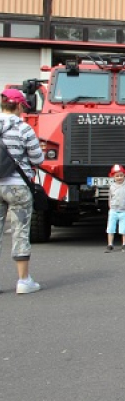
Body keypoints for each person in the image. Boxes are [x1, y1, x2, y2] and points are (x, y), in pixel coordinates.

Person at [0, 88, 44, 294]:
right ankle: (23, 281)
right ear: (18, 105)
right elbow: (38, 159)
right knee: (20, 233)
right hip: (18, 185)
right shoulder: (24, 129)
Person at [105, 164, 125, 252]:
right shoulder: (112, 186)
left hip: (123, 212)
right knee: (110, 228)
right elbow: (110, 197)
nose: (119, 177)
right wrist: (110, 207)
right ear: (113, 177)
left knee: (124, 229)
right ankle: (110, 244)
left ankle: (124, 244)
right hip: (113, 211)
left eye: (121, 175)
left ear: (124, 175)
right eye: (117, 176)